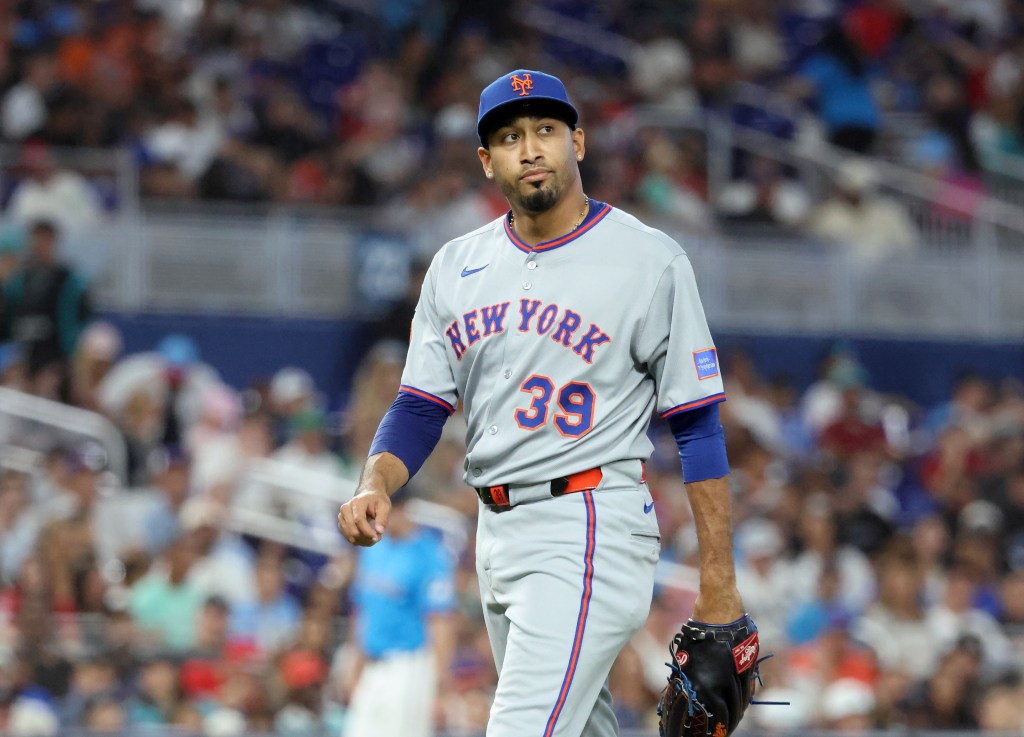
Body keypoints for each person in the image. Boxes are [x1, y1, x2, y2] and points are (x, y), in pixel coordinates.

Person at [337, 69, 746, 737]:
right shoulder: (454, 265)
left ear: (577, 142)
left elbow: (697, 426)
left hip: (586, 523)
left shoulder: (648, 260)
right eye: (510, 136)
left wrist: (719, 584)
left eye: (546, 130)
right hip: (495, 532)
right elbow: (418, 405)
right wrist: (375, 480)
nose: (530, 148)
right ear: (486, 159)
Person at [342, 486, 457, 737]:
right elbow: (362, 613)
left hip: (409, 668)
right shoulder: (372, 548)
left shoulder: (430, 555)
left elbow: (441, 624)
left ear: (403, 508)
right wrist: (354, 668)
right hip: (372, 666)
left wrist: (439, 687)